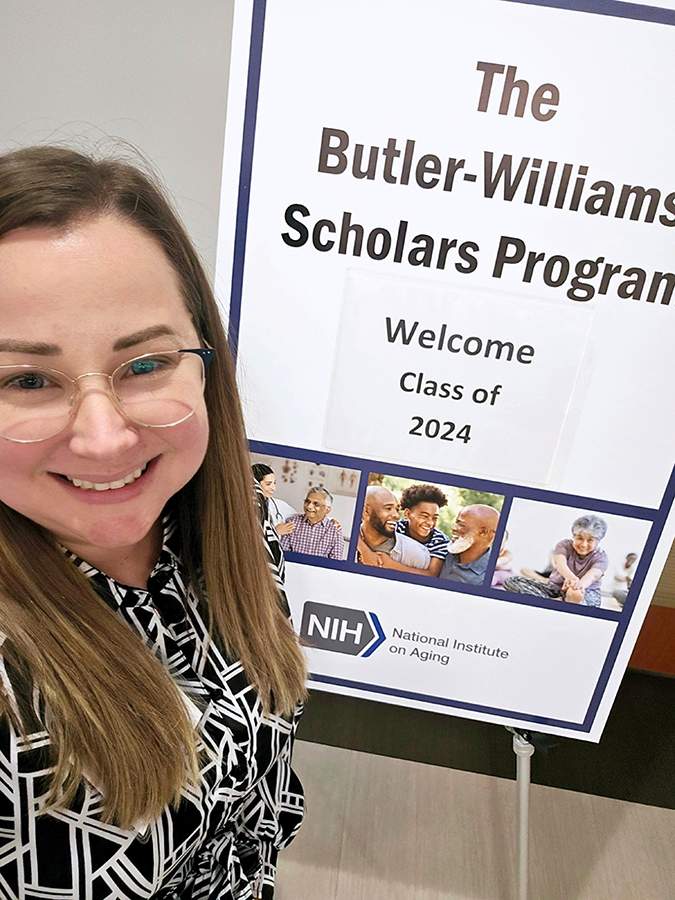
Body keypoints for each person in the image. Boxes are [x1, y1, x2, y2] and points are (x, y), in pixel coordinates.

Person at [0, 146, 307, 899]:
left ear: (204, 363)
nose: (103, 438)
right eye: (26, 380)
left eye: (143, 365)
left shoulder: (239, 528)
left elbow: (259, 786)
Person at [504, 514, 609, 607]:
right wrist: (571, 578)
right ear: (573, 536)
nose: (584, 544)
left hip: (584, 592)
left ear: (598, 541)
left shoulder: (601, 557)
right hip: (555, 589)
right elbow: (560, 564)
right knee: (512, 581)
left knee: (575, 594)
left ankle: (557, 602)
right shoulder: (564, 545)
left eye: (590, 540)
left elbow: (592, 576)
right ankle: (557, 602)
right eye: (580, 538)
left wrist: (577, 585)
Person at [376, 483, 449, 576]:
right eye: (424, 516)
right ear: (407, 513)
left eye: (435, 518)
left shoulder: (440, 541)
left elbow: (431, 574)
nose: (430, 523)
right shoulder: (396, 528)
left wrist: (390, 565)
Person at [357, 486, 431, 570]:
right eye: (388, 508)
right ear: (366, 511)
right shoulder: (345, 539)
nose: (396, 516)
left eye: (397, 509)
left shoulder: (417, 554)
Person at [439, 504, 500, 585]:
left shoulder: (487, 578)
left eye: (461, 525)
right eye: (457, 523)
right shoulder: (443, 550)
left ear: (483, 532)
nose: (454, 528)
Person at [279, 487, 345, 559]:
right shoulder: (292, 522)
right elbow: (282, 555)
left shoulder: (335, 530)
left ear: (327, 510)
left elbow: (336, 562)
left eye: (316, 504)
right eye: (307, 501)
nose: (309, 506)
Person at [251, 462, 296, 535]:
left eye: (274, 483)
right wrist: (275, 532)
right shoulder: (244, 507)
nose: (273, 488)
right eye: (268, 484)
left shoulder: (280, 505)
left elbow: (298, 518)